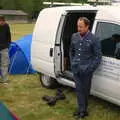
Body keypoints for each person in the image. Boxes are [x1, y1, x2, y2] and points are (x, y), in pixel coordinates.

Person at [69, 17, 102, 119]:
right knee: (78, 89)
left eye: (81, 27)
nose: (78, 29)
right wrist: (72, 62)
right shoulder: (74, 36)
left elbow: (98, 56)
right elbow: (71, 51)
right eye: (78, 26)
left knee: (85, 90)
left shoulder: (94, 39)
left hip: (87, 70)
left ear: (87, 26)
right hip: (76, 68)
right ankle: (81, 110)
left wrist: (90, 68)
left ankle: (83, 109)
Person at [0, 15, 11, 84]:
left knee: (4, 64)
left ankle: (4, 80)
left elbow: (8, 35)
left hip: (4, 48)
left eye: (4, 21)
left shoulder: (6, 26)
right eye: (2, 22)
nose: (3, 23)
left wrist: (8, 44)